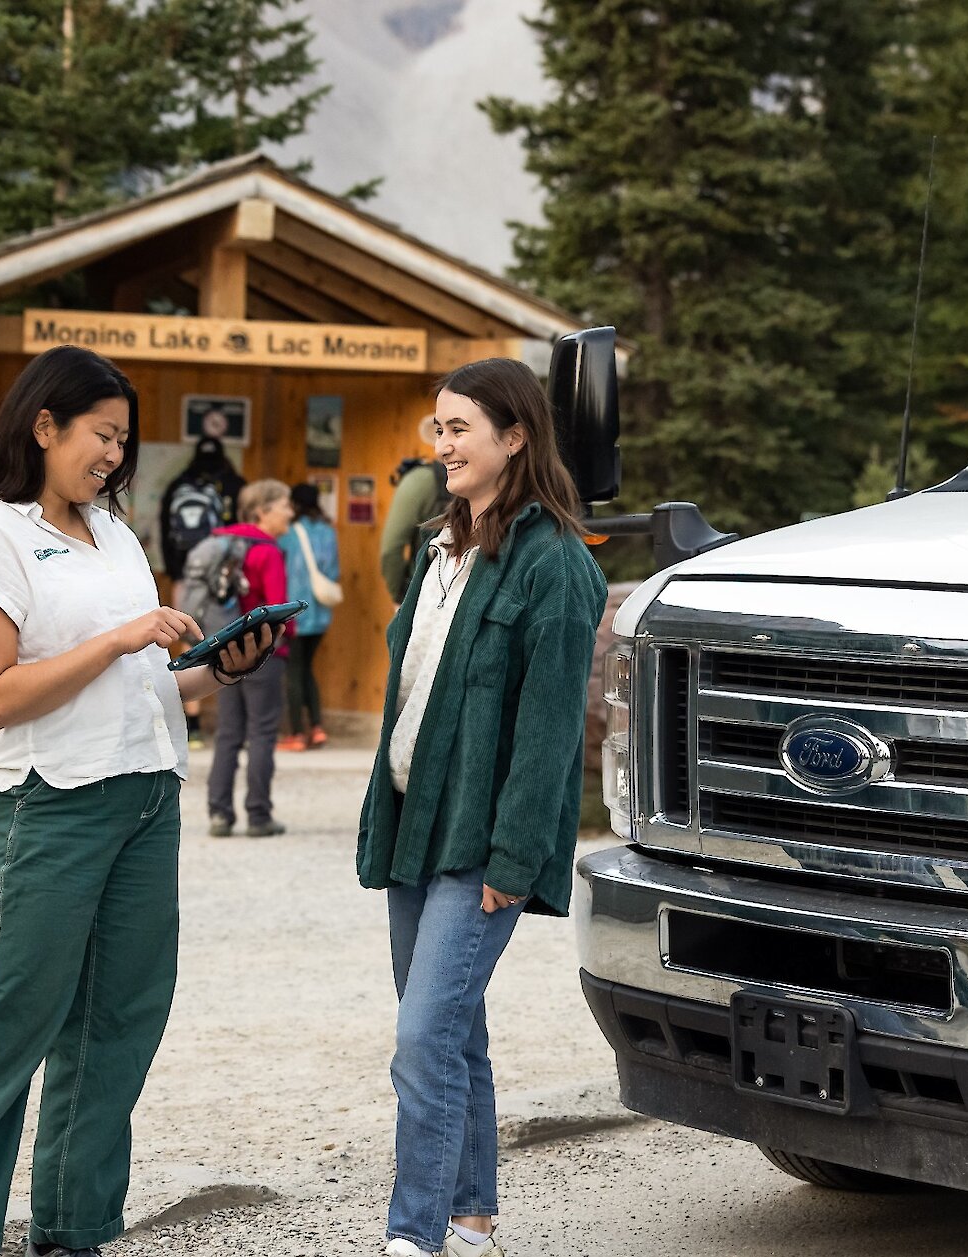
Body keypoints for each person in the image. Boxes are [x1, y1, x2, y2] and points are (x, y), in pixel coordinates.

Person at [0, 345, 280, 1257]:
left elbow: (144, 680)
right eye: (101, 435)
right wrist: (118, 639)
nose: (114, 454)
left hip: (147, 796)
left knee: (119, 1022)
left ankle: (75, 1227)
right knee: (5, 1021)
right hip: (47, 805)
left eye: (122, 439)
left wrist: (214, 677)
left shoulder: (112, 533)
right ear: (43, 425)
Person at [359, 359, 606, 1257]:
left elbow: (548, 733)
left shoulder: (556, 564)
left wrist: (513, 860)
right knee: (453, 1034)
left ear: (516, 437)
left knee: (422, 1038)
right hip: (413, 826)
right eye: (438, 427)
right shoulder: (441, 549)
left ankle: (411, 1235)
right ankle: (471, 1219)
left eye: (460, 427)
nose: (443, 443)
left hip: (480, 845)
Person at [206, 478, 297, 837]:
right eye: (284, 505)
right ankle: (258, 815)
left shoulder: (223, 544)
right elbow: (277, 609)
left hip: (224, 651)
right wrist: (285, 636)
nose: (290, 511)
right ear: (262, 511)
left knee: (228, 733)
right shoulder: (267, 551)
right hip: (263, 655)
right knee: (261, 732)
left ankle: (219, 814)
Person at [160, 437, 245, 748]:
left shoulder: (179, 485)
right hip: (224, 580)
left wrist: (175, 572)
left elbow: (166, 532)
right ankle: (232, 728)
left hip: (187, 578)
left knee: (187, 641)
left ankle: (192, 726)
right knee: (235, 643)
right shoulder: (234, 484)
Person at [277, 481, 339, 752]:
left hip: (294, 612)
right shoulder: (328, 531)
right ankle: (317, 728)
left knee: (294, 670)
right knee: (307, 669)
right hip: (321, 612)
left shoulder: (287, 533)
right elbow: (333, 573)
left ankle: (297, 735)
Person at [379, 443, 449, 603]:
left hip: (422, 594)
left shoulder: (420, 480)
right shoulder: (489, 478)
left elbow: (390, 549)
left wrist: (399, 596)